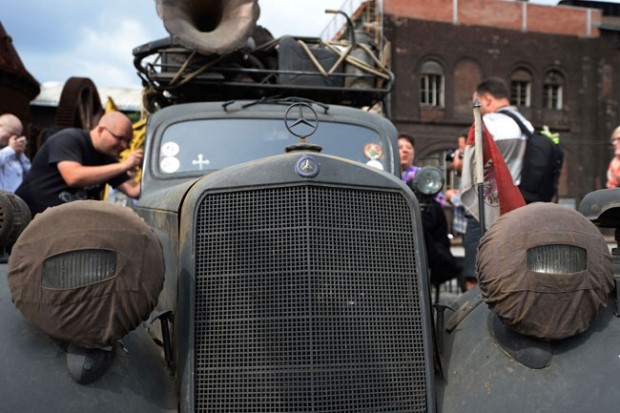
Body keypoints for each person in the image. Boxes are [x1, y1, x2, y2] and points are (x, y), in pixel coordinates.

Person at [461, 77, 529, 289]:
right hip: (518, 207)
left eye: (477, 102)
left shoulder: (488, 124)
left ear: (487, 99)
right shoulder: (526, 126)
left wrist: (459, 163)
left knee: (476, 273)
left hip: (486, 207)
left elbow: (474, 168)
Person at [16, 111, 143, 216]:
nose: (124, 146)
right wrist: (124, 166)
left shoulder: (108, 159)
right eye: (120, 138)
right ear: (101, 130)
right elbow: (73, 176)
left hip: (58, 222)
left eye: (128, 141)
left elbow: (134, 190)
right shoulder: (68, 139)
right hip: (26, 217)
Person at [0, 113, 31, 192]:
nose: (12, 139)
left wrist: (20, 154)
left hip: (14, 201)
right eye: (10, 133)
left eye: (16, 136)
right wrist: (10, 149)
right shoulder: (9, 151)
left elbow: (30, 175)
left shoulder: (13, 153)